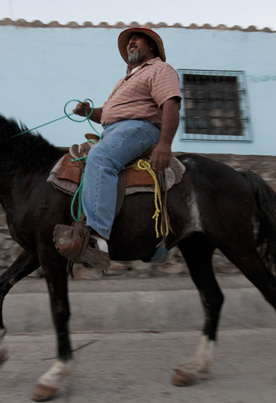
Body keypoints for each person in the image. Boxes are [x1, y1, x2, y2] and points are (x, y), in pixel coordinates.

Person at [71, 26, 182, 270]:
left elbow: (171, 105)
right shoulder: (124, 80)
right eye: (129, 40)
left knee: (99, 158)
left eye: (136, 39)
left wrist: (164, 144)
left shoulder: (160, 69)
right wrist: (88, 112)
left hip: (141, 128)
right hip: (115, 131)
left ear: (151, 46)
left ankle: (96, 242)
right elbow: (109, 115)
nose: (131, 42)